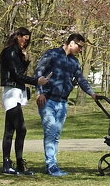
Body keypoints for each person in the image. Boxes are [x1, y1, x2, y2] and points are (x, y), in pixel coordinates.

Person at [34, 33, 97, 176]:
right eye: (79, 47)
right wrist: (40, 92)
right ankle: (51, 165)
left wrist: (92, 93)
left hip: (62, 102)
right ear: (71, 43)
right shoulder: (52, 54)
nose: (80, 50)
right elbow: (38, 72)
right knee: (50, 132)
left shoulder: (74, 62)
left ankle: (52, 163)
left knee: (56, 134)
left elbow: (81, 79)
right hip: (48, 99)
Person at [0, 27, 49, 175]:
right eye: (23, 39)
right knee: (21, 129)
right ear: (17, 36)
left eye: (27, 41)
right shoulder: (10, 51)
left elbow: (18, 72)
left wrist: (25, 60)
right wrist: (36, 81)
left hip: (16, 91)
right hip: (12, 92)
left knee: (10, 130)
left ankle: (10, 163)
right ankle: (15, 162)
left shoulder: (15, 52)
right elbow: (17, 75)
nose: (25, 43)